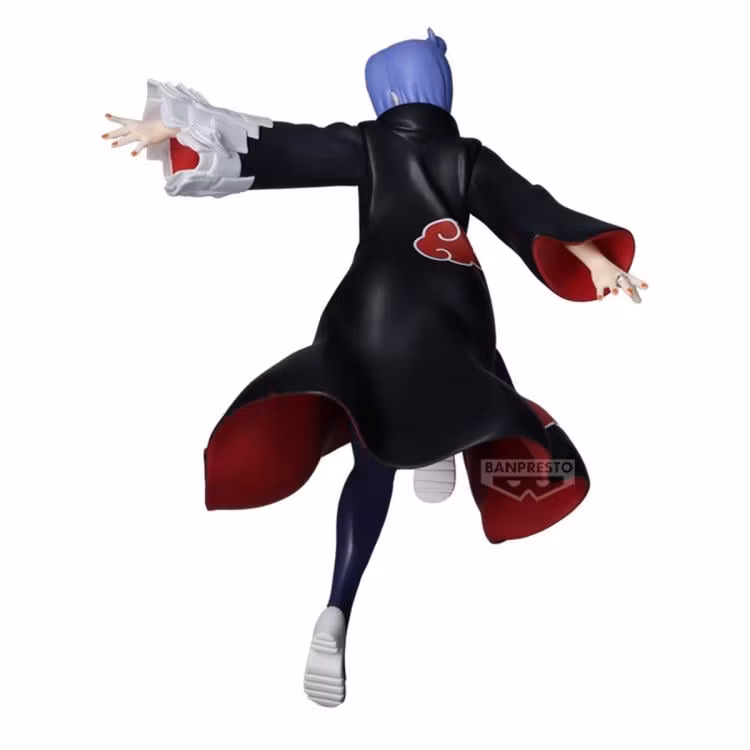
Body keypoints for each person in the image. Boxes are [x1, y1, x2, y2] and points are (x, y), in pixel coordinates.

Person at [102, 28, 647, 707]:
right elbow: (531, 212)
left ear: (383, 97)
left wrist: (177, 128)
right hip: (451, 314)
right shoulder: (469, 158)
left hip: (373, 315)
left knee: (373, 454)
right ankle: (443, 446)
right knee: (481, 374)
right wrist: (597, 262)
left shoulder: (370, 144)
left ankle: (337, 606)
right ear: (441, 92)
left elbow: (284, 145)